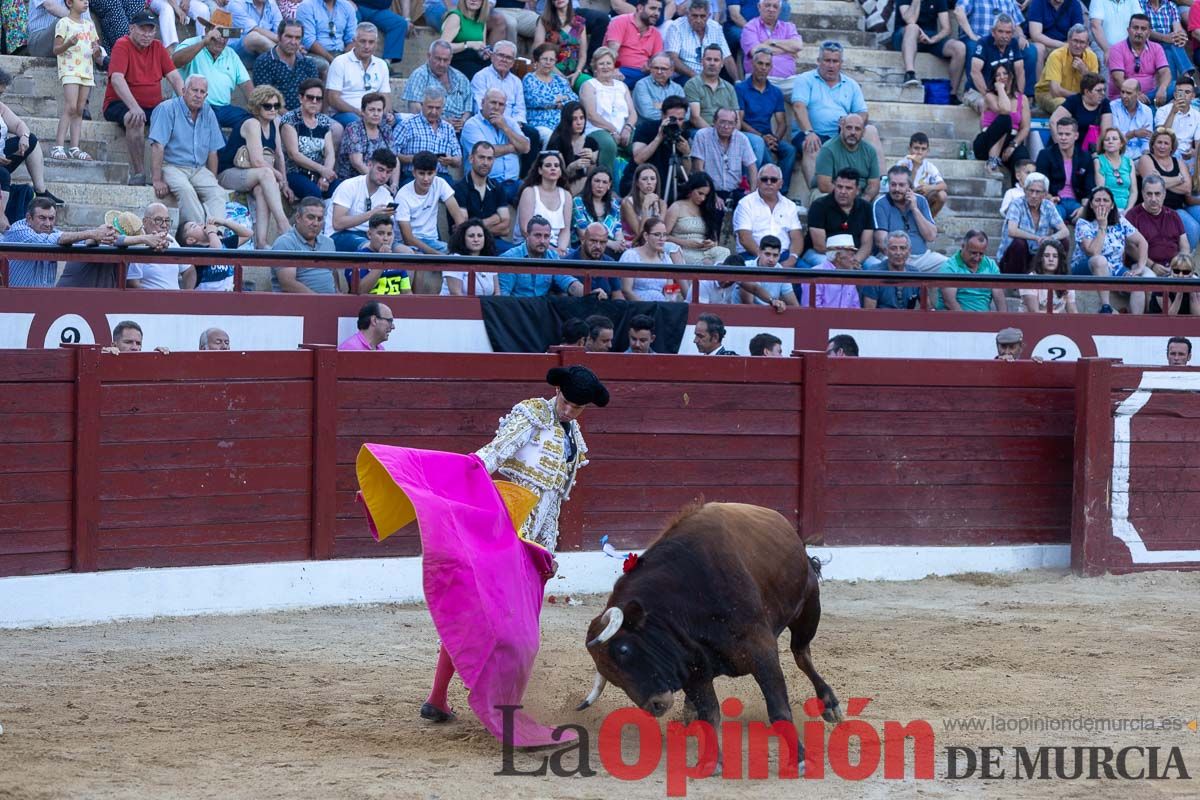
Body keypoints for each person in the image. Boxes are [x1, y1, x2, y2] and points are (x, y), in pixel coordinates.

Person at [103, 12, 185, 186]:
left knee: (180, 117)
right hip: (120, 103)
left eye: (151, 30)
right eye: (143, 29)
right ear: (132, 28)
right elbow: (117, 79)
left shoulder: (157, 47)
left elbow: (175, 78)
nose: (147, 34)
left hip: (153, 106)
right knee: (135, 119)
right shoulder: (122, 44)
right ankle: (139, 173)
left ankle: (179, 173)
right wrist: (134, 106)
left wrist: (186, 103)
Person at [792, 41, 883, 195]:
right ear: (818, 61)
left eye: (835, 61)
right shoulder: (805, 79)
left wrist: (851, 122)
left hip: (841, 134)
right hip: (813, 132)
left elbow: (863, 113)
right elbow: (798, 107)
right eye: (827, 60)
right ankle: (817, 193)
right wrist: (809, 132)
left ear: (841, 63)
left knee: (871, 130)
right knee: (812, 143)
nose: (831, 65)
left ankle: (882, 181)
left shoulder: (851, 84)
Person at [215, 85, 294, 249]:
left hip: (253, 175)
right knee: (266, 174)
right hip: (228, 173)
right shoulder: (252, 123)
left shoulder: (275, 122)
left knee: (261, 190)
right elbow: (258, 161)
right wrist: (278, 175)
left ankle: (261, 242)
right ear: (257, 107)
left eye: (276, 106)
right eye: (268, 106)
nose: (273, 110)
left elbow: (279, 155)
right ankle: (283, 224)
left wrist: (285, 183)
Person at [148, 75, 228, 229]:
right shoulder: (167, 108)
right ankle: (198, 234)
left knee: (218, 193)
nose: (198, 95)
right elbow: (158, 145)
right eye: (194, 90)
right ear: (184, 91)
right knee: (186, 190)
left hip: (198, 169)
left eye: (202, 92)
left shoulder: (208, 112)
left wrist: (212, 178)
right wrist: (157, 179)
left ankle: (217, 235)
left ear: (206, 95)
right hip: (172, 166)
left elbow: (213, 151)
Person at [1073, 185, 1152, 313]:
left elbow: (1142, 242)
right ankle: (1106, 307)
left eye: (1106, 200)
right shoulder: (1083, 223)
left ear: (1112, 205)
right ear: (1091, 205)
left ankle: (1136, 325)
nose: (1101, 204)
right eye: (1097, 200)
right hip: (1086, 268)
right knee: (1100, 260)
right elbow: (1093, 252)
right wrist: (1102, 226)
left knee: (1138, 283)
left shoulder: (1120, 220)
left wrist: (1140, 267)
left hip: (1116, 268)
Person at [1, 198, 116, 286]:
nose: (48, 224)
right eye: (42, 218)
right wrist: (92, 233)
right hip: (15, 303)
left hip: (43, 303)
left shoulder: (52, 232)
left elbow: (82, 242)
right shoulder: (18, 230)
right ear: (29, 218)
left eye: (51, 218)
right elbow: (51, 240)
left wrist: (99, 235)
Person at [471, 40, 541, 172]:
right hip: (489, 120)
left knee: (532, 134)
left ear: (513, 62)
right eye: (501, 55)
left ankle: (527, 176)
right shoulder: (481, 77)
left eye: (508, 57)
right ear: (492, 56)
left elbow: (520, 108)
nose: (504, 60)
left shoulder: (516, 81)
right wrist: (501, 122)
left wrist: (516, 123)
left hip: (512, 122)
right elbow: (481, 107)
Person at [171, 19, 254, 129]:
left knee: (252, 123)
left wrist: (259, 106)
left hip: (224, 109)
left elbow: (246, 84)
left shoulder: (231, 54)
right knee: (214, 128)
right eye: (218, 33)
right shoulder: (191, 43)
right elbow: (175, 62)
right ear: (206, 31)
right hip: (196, 106)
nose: (221, 39)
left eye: (225, 34)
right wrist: (204, 42)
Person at [737, 48, 796, 195]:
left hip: (768, 136)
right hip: (747, 135)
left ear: (771, 67)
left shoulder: (775, 91)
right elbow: (739, 120)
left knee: (790, 151)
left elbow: (782, 122)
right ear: (752, 64)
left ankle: (782, 192)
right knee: (765, 155)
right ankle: (753, 190)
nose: (763, 68)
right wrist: (763, 138)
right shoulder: (740, 88)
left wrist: (774, 139)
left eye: (767, 64)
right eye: (760, 63)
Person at [460, 88, 531, 207]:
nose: (497, 107)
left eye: (501, 104)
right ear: (482, 103)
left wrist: (505, 127)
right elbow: (484, 152)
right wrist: (513, 147)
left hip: (514, 182)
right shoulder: (471, 125)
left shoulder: (509, 122)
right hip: (486, 182)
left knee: (536, 197)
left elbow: (525, 147)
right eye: (493, 102)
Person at [50, 0, 99, 163]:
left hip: (86, 71)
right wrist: (68, 43)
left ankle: (74, 147)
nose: (86, 2)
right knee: (70, 106)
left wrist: (97, 51)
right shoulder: (63, 23)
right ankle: (58, 145)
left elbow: (96, 52)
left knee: (80, 108)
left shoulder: (89, 25)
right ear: (70, 3)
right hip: (70, 70)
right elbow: (56, 49)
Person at [870, 165, 944, 272]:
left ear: (909, 186)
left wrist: (915, 209)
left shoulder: (921, 201)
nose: (897, 189)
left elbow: (931, 236)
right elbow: (881, 242)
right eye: (893, 185)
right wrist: (901, 259)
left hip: (921, 258)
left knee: (948, 266)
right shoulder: (880, 203)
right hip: (892, 258)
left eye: (901, 185)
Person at [396, 150, 467, 259]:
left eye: (430, 173)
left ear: (436, 172)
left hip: (433, 241)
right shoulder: (402, 195)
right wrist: (437, 255)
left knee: (464, 254)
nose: (426, 179)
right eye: (421, 173)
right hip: (409, 243)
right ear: (414, 172)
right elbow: (408, 238)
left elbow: (459, 219)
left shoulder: (440, 183)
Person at [957, 2, 1037, 99]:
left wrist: (1020, 36)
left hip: (1006, 41)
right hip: (977, 38)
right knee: (975, 48)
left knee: (1030, 51)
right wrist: (971, 35)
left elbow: (1017, 24)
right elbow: (959, 11)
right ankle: (978, 91)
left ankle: (1025, 96)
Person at [996, 171, 1070, 274]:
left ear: (1044, 194)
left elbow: (1065, 231)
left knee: (1063, 241)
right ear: (1025, 191)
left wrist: (1051, 238)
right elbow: (1012, 231)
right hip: (1012, 259)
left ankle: (1058, 281)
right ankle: (1015, 284)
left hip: (1037, 256)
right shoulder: (1017, 204)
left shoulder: (1048, 206)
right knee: (1019, 243)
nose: (1033, 195)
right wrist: (1036, 238)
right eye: (1031, 191)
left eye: (1038, 192)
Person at [1136, 127, 1200, 246]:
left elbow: (1187, 188)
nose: (1162, 146)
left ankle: (1184, 261)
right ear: (1153, 145)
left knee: (1194, 223)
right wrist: (1178, 179)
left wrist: (1161, 179)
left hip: (1177, 207)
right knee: (1191, 229)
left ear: (1172, 147)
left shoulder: (1178, 161)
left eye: (1166, 143)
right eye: (1159, 142)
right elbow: (1152, 184)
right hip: (1155, 208)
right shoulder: (1146, 159)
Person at [326, 147, 397, 251]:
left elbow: (390, 229)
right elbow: (337, 223)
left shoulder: (387, 195)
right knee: (370, 247)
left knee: (406, 251)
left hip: (373, 236)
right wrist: (372, 214)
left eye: (388, 172)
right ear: (369, 165)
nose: (384, 176)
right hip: (340, 235)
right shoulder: (349, 186)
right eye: (380, 169)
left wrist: (388, 246)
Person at [801, 168, 873, 268]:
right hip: (822, 254)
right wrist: (843, 260)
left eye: (848, 188)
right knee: (829, 267)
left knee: (874, 265)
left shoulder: (866, 207)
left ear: (857, 190)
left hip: (855, 255)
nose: (842, 191)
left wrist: (855, 260)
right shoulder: (819, 205)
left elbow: (866, 245)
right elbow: (819, 245)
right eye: (839, 187)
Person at [733, 163, 802, 265]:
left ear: (781, 183)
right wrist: (767, 259)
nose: (769, 182)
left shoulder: (790, 205)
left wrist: (792, 259)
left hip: (783, 255)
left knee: (811, 276)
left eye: (773, 180)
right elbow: (744, 238)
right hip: (752, 255)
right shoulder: (745, 204)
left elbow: (797, 237)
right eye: (764, 179)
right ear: (758, 182)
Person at [281, 78, 339, 200]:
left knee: (340, 189)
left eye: (318, 99)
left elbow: (330, 154)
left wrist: (324, 177)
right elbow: (294, 155)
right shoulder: (290, 119)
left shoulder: (324, 121)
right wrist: (322, 170)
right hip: (295, 172)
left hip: (319, 173)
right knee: (314, 194)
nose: (314, 101)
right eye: (310, 97)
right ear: (301, 98)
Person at [500, 216, 586, 296]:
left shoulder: (552, 256)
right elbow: (503, 296)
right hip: (517, 307)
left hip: (542, 307)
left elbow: (567, 281)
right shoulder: (510, 257)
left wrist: (588, 293)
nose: (542, 241)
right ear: (527, 236)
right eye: (538, 236)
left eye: (546, 236)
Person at [623, 94, 689, 198]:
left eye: (681, 119)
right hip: (640, 181)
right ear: (663, 115)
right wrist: (658, 138)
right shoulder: (646, 127)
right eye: (673, 119)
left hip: (667, 183)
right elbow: (638, 158)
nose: (677, 123)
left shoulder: (683, 133)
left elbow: (686, 172)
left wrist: (686, 154)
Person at [326, 23, 391, 128]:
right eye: (363, 41)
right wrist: (359, 112)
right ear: (354, 42)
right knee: (359, 123)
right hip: (345, 113)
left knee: (397, 121)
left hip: (374, 113)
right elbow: (333, 98)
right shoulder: (340, 62)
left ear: (376, 44)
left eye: (371, 42)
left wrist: (385, 114)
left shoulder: (381, 64)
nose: (367, 46)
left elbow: (386, 96)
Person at [402, 40, 474, 135]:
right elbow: (415, 108)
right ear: (429, 56)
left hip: (461, 130)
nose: (441, 64)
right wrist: (442, 122)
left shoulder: (461, 78)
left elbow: (468, 107)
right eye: (438, 59)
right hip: (429, 128)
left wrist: (463, 121)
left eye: (445, 60)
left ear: (450, 59)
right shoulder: (419, 75)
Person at [892, 0, 966, 93]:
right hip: (904, 37)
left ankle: (952, 93)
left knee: (959, 47)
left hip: (929, 37)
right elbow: (910, 20)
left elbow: (946, 29)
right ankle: (910, 74)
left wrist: (933, 39)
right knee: (913, 27)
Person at [395, 86, 463, 183]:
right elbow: (392, 154)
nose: (434, 112)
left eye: (438, 108)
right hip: (413, 176)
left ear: (443, 108)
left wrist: (451, 160)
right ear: (422, 105)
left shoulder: (448, 128)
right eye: (430, 107)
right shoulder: (407, 125)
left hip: (441, 177)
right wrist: (414, 159)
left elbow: (458, 160)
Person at [963, 13, 1028, 113]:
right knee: (988, 105)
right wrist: (988, 95)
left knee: (1020, 103)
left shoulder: (1013, 43)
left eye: (1008, 32)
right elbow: (975, 72)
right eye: (1000, 31)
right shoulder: (983, 43)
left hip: (1003, 92)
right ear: (993, 32)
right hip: (977, 91)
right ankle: (987, 129)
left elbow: (1020, 71)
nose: (1004, 36)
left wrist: (1018, 96)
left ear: (1012, 33)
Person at [974, 63, 1031, 178]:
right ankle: (992, 162)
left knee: (1022, 159)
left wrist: (1013, 145)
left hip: (1009, 141)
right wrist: (1000, 88)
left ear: (1012, 76)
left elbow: (1025, 128)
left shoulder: (1022, 99)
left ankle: (1018, 192)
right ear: (994, 79)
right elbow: (1005, 109)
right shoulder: (989, 96)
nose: (1002, 77)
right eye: (997, 75)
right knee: (1005, 119)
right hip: (987, 142)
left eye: (1005, 73)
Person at [270, 195, 338, 292]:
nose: (315, 223)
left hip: (329, 304)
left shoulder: (329, 242)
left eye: (320, 219)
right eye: (311, 217)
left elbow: (333, 273)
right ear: (298, 217)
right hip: (297, 304)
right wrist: (320, 302)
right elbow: (288, 284)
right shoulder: (285, 242)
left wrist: (338, 295)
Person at [692, 106, 756, 206]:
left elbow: (752, 166)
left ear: (735, 124)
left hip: (735, 191)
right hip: (710, 191)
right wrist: (712, 195)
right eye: (722, 122)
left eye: (730, 123)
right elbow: (698, 169)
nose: (726, 126)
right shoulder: (702, 136)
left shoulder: (741, 138)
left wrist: (753, 194)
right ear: (714, 121)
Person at [581, 47, 637, 161]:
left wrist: (628, 128)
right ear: (595, 67)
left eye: (608, 63)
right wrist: (613, 130)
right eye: (601, 64)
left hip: (623, 128)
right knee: (608, 144)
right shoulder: (589, 85)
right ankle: (606, 176)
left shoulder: (622, 86)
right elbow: (591, 115)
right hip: (597, 128)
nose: (605, 67)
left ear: (614, 66)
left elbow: (633, 113)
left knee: (640, 144)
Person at [252, 19, 320, 113]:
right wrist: (291, 118)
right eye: (289, 37)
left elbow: (315, 96)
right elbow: (265, 99)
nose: (293, 42)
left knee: (336, 127)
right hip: (275, 115)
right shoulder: (264, 62)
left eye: (297, 38)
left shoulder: (308, 63)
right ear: (279, 37)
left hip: (307, 114)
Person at [1035, 116, 1094, 223]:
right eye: (1060, 134)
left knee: (1087, 218)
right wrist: (1049, 198)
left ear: (1076, 136)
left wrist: (1084, 208)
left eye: (1067, 134)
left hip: (1076, 202)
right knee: (1053, 219)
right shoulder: (1045, 155)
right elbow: (1040, 184)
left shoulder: (1085, 157)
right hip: (1054, 200)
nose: (1063, 138)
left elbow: (1089, 188)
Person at [1126, 174, 1190, 273]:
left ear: (1164, 194)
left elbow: (1184, 245)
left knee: (1194, 283)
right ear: (1142, 193)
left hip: (1173, 267)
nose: (1153, 199)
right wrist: (1152, 265)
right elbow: (1130, 248)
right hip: (1144, 265)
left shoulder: (1173, 215)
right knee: (1149, 278)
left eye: (1157, 194)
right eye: (1149, 194)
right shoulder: (1132, 216)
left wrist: (1177, 265)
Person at [813, 113, 880, 203]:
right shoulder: (828, 149)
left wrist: (864, 200)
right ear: (842, 128)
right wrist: (850, 198)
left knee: (879, 200)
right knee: (821, 198)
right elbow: (824, 185)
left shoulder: (870, 151)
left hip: (860, 195)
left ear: (863, 132)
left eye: (857, 129)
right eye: (849, 128)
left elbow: (874, 184)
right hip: (834, 192)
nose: (853, 132)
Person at [516, 151, 573, 256]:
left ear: (560, 171)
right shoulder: (529, 192)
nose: (553, 168)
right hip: (530, 246)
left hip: (558, 248)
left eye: (556, 166)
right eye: (548, 165)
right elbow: (525, 230)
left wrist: (561, 250)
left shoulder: (566, 195)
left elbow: (565, 231)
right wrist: (552, 250)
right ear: (540, 170)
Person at [665, 172, 729, 265]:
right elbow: (663, 236)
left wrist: (711, 243)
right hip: (682, 249)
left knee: (724, 252)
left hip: (705, 250)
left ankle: (719, 277)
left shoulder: (707, 209)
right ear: (691, 189)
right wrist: (686, 243)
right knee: (707, 263)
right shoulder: (676, 207)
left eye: (706, 195)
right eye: (700, 193)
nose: (703, 198)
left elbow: (715, 241)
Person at [1107, 14, 1170, 105]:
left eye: (1143, 29)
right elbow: (1118, 78)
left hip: (1150, 95)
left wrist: (1162, 89)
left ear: (1149, 33)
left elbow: (1165, 72)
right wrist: (1135, 94)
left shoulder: (1156, 48)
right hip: (1124, 98)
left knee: (1174, 86)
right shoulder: (1117, 49)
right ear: (1128, 30)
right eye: (1135, 28)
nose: (1139, 32)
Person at [1033, 23, 1097, 114]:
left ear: (1087, 44)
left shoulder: (1092, 57)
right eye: (1075, 41)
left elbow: (1095, 88)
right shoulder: (1056, 55)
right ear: (1068, 40)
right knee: (1064, 105)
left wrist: (1085, 72)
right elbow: (1055, 91)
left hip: (1078, 97)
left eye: (1082, 42)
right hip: (1048, 94)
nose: (1078, 45)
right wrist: (1081, 97)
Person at [937, 230, 1006, 312]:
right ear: (963, 246)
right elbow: (949, 302)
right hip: (956, 320)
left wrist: (1004, 321)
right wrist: (968, 322)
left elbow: (999, 298)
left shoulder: (991, 265)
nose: (977, 258)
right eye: (973, 253)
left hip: (983, 320)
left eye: (981, 254)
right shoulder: (950, 267)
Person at [177, 216, 254, 291]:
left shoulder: (223, 243)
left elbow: (248, 234)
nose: (200, 224)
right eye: (194, 226)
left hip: (229, 296)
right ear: (191, 240)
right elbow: (217, 252)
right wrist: (211, 232)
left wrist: (224, 222)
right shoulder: (194, 251)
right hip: (207, 299)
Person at [619, 215, 686, 300]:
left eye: (664, 235)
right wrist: (647, 307)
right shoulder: (630, 256)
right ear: (646, 236)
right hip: (637, 307)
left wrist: (670, 305)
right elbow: (626, 290)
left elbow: (670, 289)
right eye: (657, 235)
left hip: (661, 306)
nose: (662, 239)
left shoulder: (666, 258)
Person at [524, 43, 579, 144]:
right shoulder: (530, 78)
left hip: (562, 123)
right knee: (551, 137)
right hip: (540, 123)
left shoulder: (560, 80)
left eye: (551, 60)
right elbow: (533, 100)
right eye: (544, 59)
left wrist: (554, 101)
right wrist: (557, 100)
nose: (548, 63)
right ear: (537, 60)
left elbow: (574, 99)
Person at [346, 213, 415, 294]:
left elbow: (407, 292)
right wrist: (382, 261)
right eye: (380, 233)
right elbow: (359, 291)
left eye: (389, 234)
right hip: (369, 305)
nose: (385, 238)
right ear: (369, 234)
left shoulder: (397, 259)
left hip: (396, 305)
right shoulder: (357, 258)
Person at [739, 0, 800, 90]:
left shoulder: (788, 27)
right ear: (759, 7)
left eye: (775, 7)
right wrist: (787, 50)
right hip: (760, 79)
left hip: (788, 81)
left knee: (806, 95)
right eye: (767, 5)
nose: (771, 9)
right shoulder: (750, 27)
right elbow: (756, 52)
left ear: (779, 10)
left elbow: (798, 45)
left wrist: (772, 42)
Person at [548, 102, 608, 192]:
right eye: (574, 119)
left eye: (582, 118)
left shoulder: (590, 142)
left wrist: (592, 159)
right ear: (567, 121)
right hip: (559, 187)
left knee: (592, 181)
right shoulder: (557, 142)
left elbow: (592, 177)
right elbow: (557, 178)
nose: (579, 122)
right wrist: (572, 167)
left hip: (585, 187)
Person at [671, 0, 736, 84]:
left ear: (709, 16)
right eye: (694, 16)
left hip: (710, 76)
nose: (698, 20)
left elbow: (727, 57)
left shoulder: (716, 27)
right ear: (687, 14)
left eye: (702, 16)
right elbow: (672, 58)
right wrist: (696, 76)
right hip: (685, 76)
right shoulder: (676, 27)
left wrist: (737, 81)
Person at [604, 0, 664, 89]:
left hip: (643, 74)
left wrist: (650, 66)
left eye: (659, 10)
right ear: (640, 8)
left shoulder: (656, 33)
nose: (657, 13)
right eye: (652, 8)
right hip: (620, 70)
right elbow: (611, 51)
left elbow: (658, 59)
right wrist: (615, 69)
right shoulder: (620, 21)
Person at [335, 93, 394, 182]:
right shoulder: (354, 128)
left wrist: (394, 184)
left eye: (379, 110)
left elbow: (394, 158)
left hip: (380, 180)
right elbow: (357, 163)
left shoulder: (385, 128)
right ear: (362, 111)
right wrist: (380, 183)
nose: (376, 114)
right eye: (371, 110)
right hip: (353, 181)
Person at [1048, 72, 1113, 153]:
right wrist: (1060, 147)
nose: (1103, 93)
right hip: (1068, 148)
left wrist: (1097, 152)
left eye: (1104, 90)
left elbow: (1106, 130)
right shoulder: (1074, 101)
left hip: (1090, 150)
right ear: (1087, 92)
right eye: (1099, 91)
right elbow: (1053, 121)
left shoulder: (1104, 103)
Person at [534, 0, 590, 91]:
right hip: (550, 70)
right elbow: (538, 50)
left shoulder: (579, 22)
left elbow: (582, 54)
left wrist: (578, 72)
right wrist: (559, 75)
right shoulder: (544, 21)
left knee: (589, 84)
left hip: (575, 73)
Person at [1028, 0, 1087, 81]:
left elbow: (1079, 32)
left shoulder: (1074, 4)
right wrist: (1061, 45)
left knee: (1085, 50)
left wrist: (1070, 45)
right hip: (1044, 43)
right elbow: (1036, 35)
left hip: (1067, 42)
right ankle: (1040, 88)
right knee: (1039, 49)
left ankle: (1083, 88)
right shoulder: (1038, 2)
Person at [861, 230, 921, 310]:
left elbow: (928, 308)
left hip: (908, 321)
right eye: (893, 248)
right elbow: (869, 312)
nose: (898, 253)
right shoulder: (874, 273)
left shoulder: (916, 274)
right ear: (886, 251)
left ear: (909, 251)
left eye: (902, 248)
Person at [572, 166, 624, 257]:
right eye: (597, 181)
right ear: (590, 182)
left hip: (611, 250)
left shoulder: (614, 204)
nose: (600, 186)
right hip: (586, 248)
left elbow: (618, 230)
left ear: (609, 185)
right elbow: (583, 233)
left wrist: (620, 243)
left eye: (604, 182)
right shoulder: (578, 201)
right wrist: (611, 244)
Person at [894, 133, 948, 218]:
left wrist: (929, 188)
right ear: (909, 149)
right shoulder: (902, 164)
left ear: (928, 151)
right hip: (905, 198)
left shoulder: (929, 166)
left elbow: (944, 185)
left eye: (923, 149)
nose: (919, 152)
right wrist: (915, 167)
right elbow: (901, 187)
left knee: (942, 195)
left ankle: (929, 221)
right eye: (916, 148)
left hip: (922, 198)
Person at [800, 233, 861, 309]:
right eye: (852, 255)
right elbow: (812, 311)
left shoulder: (850, 275)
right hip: (821, 320)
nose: (855, 258)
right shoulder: (814, 275)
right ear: (838, 257)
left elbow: (855, 307)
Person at [566, 222, 624, 300]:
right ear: (583, 240)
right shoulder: (567, 262)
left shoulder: (610, 263)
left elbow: (617, 295)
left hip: (605, 309)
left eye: (602, 242)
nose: (598, 246)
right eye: (593, 241)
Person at [443, 218, 499, 296]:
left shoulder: (490, 259)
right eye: (471, 236)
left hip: (485, 306)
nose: (476, 239)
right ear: (463, 238)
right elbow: (455, 293)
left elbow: (497, 293)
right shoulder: (454, 259)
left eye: (480, 236)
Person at [1020, 239, 1078, 313]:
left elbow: (1072, 311)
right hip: (1030, 323)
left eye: (1055, 256)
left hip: (1057, 323)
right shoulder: (1030, 279)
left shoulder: (1066, 281)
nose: (1051, 259)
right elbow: (1034, 312)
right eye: (1047, 256)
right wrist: (1058, 312)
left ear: (1060, 259)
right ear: (1041, 258)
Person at [1153, 75, 1200, 163]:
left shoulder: (1197, 115)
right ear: (1175, 94)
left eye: (1187, 92)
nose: (1184, 95)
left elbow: (1198, 143)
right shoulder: (1162, 111)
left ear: (1193, 96)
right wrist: (1173, 112)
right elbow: (1160, 135)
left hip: (1187, 156)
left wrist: (1194, 152)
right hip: (1166, 153)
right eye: (1180, 92)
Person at [295, 0, 355, 66]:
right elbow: (309, 40)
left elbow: (352, 38)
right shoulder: (307, 6)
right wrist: (334, 61)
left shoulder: (347, 6)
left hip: (342, 53)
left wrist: (345, 58)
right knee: (324, 64)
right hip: (316, 53)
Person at [1142, 0, 1190, 82]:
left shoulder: (1170, 5)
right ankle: (1187, 77)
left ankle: (1173, 83)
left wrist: (1180, 36)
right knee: (1171, 44)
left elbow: (1177, 27)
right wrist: (1164, 37)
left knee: (1172, 46)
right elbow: (1143, 29)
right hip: (1149, 43)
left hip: (1168, 42)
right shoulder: (1140, 5)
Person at [1094, 128, 1138, 215]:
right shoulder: (1098, 161)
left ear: (1121, 144)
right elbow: (1101, 190)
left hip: (1127, 210)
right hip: (1107, 209)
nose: (1110, 141)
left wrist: (1128, 210)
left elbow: (1134, 191)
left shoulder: (1129, 162)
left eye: (1114, 139)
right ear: (1103, 145)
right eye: (1107, 139)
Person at [632, 53, 686, 124]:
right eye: (656, 68)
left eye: (663, 69)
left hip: (674, 127)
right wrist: (674, 113)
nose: (659, 72)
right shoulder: (642, 85)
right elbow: (647, 113)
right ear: (650, 69)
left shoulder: (677, 88)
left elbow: (686, 114)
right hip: (649, 127)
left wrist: (660, 105)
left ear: (672, 70)